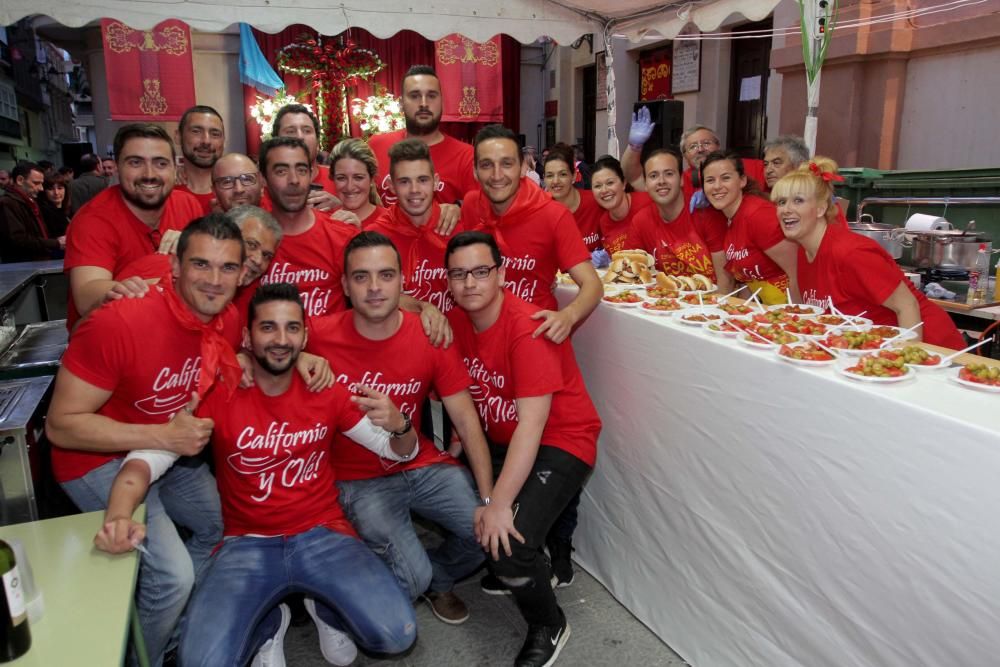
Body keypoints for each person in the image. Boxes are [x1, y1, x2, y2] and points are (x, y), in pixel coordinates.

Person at [94, 282, 419, 667]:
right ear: (247, 336)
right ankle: (268, 623)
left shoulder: (325, 389)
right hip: (245, 544)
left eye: (291, 328)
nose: (281, 340)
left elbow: (397, 450)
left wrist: (400, 426)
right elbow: (144, 461)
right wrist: (117, 516)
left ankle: (326, 609)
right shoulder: (219, 392)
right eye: (268, 328)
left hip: (323, 533)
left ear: (305, 335)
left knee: (397, 634)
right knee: (201, 663)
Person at [45, 214, 245, 666]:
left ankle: (168, 629)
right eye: (201, 265)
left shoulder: (226, 319)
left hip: (161, 451)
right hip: (92, 459)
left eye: (228, 268)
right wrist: (163, 435)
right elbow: (61, 425)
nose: (214, 281)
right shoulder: (120, 323)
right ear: (173, 267)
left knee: (221, 527)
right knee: (172, 576)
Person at [308, 231, 492, 624]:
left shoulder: (430, 333)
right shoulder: (315, 335)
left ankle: (436, 577)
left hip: (420, 462)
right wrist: (296, 360)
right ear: (344, 285)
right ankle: (338, 584)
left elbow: (465, 417)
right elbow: (254, 353)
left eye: (386, 275)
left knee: (486, 533)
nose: (375, 288)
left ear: (402, 281)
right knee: (410, 581)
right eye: (361, 277)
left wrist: (490, 501)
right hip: (358, 480)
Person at [446, 231, 601, 667]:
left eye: (480, 271)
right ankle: (514, 564)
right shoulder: (458, 321)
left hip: (561, 438)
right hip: (502, 437)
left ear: (501, 274)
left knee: (508, 541)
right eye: (459, 274)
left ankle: (548, 623)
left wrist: (498, 501)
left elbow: (532, 428)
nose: (470, 283)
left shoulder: (525, 327)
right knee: (460, 511)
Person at [772, 157, 965, 349]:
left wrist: (907, 359)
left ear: (821, 208)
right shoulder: (803, 251)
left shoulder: (851, 253)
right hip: (868, 348)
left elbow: (907, 306)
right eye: (781, 202)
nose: (786, 210)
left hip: (929, 344)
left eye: (798, 201)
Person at [461, 124, 602, 344]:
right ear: (475, 171)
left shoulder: (554, 215)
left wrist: (567, 316)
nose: (497, 175)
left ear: (523, 168)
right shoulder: (471, 205)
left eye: (507, 164)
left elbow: (592, 285)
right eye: (487, 165)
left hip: (533, 336)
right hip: (483, 336)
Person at [63, 124, 204, 329]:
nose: (149, 174)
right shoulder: (93, 219)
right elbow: (86, 296)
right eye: (136, 162)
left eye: (161, 163)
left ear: (175, 169)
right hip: (110, 338)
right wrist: (175, 287)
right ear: (117, 168)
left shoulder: (187, 204)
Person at [257, 136, 357, 318]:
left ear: (311, 174)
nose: (294, 180)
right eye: (281, 171)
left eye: (301, 170)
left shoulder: (343, 236)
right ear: (263, 179)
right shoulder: (250, 241)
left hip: (329, 344)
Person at [367, 65, 478, 206]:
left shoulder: (467, 157)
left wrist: (459, 208)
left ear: (442, 102)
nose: (424, 103)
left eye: (431, 96)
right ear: (401, 104)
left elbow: (480, 208)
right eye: (415, 96)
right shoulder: (375, 146)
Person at [701, 150, 798, 304]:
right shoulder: (730, 218)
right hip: (766, 310)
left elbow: (798, 271)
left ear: (742, 181)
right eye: (710, 180)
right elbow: (750, 279)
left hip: (791, 311)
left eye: (725, 178)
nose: (717, 186)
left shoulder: (758, 215)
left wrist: (795, 318)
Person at [627, 148, 728, 283]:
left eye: (669, 174)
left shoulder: (706, 212)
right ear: (645, 184)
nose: (661, 181)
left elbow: (725, 279)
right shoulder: (641, 221)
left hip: (712, 299)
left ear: (681, 179)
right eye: (653, 176)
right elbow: (634, 274)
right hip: (667, 300)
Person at [620, 109, 767, 199]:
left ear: (719, 146)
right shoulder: (680, 180)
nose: (701, 149)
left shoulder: (752, 166)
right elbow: (633, 176)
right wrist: (634, 146)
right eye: (693, 146)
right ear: (685, 155)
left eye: (706, 143)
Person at [271, 103, 341, 210]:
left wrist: (341, 208)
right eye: (290, 131)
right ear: (276, 140)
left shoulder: (340, 180)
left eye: (307, 131)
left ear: (317, 141)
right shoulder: (264, 185)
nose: (300, 137)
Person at [542, 143, 603, 252]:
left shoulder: (595, 202)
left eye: (563, 174)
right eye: (550, 175)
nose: (555, 181)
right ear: (544, 179)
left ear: (574, 176)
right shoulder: (540, 211)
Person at [0, 161, 65, 262]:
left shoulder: (29, 201)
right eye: (36, 183)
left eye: (41, 184)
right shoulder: (7, 203)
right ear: (20, 180)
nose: (41, 188)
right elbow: (17, 239)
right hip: (23, 266)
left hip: (38, 261)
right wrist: (55, 243)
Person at [590, 155, 653, 255]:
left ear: (623, 183)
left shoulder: (648, 202)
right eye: (597, 186)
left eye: (610, 183)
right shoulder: (604, 222)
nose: (604, 190)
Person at [175, 105, 226, 213]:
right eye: (196, 131)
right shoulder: (162, 192)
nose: (206, 141)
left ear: (223, 141)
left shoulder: (240, 192)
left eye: (215, 134)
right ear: (178, 137)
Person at [328, 138, 388, 228]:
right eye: (341, 178)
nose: (349, 187)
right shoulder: (326, 222)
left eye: (358, 178)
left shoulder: (390, 223)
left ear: (372, 179)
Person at [38, 172, 72, 239]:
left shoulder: (64, 210)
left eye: (60, 188)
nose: (56, 192)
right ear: (44, 191)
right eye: (50, 189)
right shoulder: (46, 213)